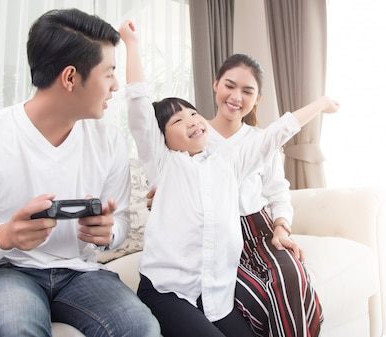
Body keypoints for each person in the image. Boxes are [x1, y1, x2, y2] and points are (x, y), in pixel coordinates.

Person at [0, 9, 160, 337]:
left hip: (80, 275)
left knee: (142, 328)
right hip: (6, 272)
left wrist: (108, 232)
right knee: (15, 328)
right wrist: (5, 236)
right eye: (109, 73)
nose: (115, 86)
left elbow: (121, 224)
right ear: (70, 78)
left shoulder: (108, 141)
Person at [118, 20, 339, 337]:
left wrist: (319, 105)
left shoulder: (227, 163)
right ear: (162, 139)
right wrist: (132, 44)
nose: (193, 121)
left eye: (193, 113)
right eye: (179, 121)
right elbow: (138, 107)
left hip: (215, 297)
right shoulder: (164, 163)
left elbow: (273, 137)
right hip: (169, 291)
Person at [209, 54, 323, 337]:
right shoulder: (195, 135)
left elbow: (277, 192)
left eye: (247, 91)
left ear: (258, 98)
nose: (236, 97)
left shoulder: (262, 139)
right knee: (259, 299)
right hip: (218, 239)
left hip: (261, 231)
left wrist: (281, 227)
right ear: (215, 85)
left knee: (293, 277)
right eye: (229, 86)